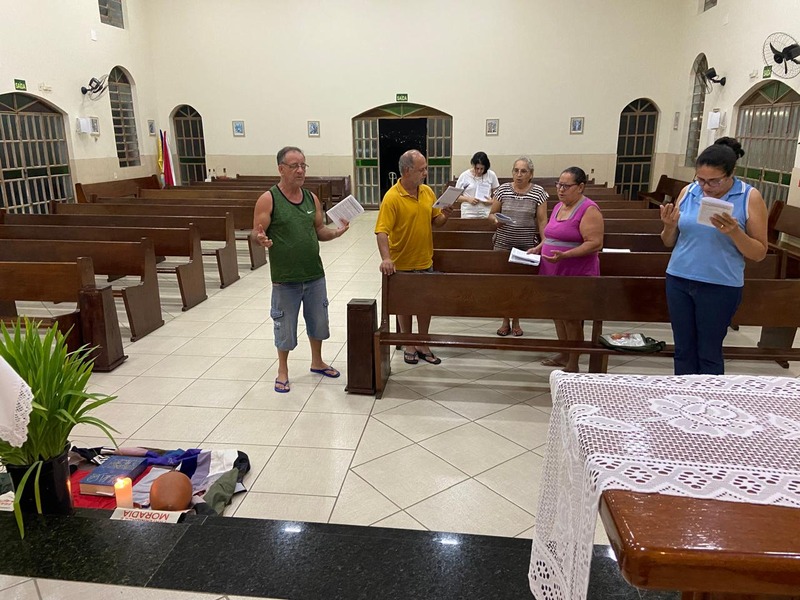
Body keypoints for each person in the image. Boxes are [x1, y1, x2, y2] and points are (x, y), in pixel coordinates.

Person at [660, 137, 767, 375]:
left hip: (720, 285)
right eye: (701, 179)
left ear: (731, 174)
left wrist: (734, 232)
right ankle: (683, 395)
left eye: (714, 181)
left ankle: (710, 397)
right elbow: (669, 241)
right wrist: (669, 226)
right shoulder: (689, 191)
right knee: (683, 349)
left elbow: (759, 252)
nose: (706, 187)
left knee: (708, 352)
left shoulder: (749, 197)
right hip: (679, 278)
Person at [252, 146, 349, 393]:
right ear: (281, 169)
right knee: (284, 325)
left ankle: (317, 361)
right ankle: (282, 370)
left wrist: (336, 233)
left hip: (314, 273)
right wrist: (260, 239)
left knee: (318, 321)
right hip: (285, 278)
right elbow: (256, 232)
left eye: (303, 165)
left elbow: (319, 230)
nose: (300, 170)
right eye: (294, 166)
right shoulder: (269, 199)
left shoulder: (311, 198)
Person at [375, 149, 454, 365]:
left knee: (425, 305)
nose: (425, 173)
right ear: (407, 171)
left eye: (425, 168)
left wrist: (445, 215)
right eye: (422, 169)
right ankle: (408, 343)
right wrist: (386, 258)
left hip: (425, 259)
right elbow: (381, 231)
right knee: (405, 306)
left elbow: (436, 221)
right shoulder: (392, 197)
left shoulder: (427, 192)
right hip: (402, 262)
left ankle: (422, 342)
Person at [531, 166, 603, 372]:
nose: (560, 190)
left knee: (572, 318)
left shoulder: (589, 209)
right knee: (557, 314)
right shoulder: (559, 207)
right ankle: (564, 353)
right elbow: (551, 236)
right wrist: (539, 247)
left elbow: (595, 243)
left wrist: (566, 255)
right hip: (553, 270)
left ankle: (573, 362)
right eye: (558, 185)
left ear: (580, 187)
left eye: (566, 186)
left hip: (575, 273)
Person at [489, 157, 548, 336]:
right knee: (504, 284)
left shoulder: (538, 192)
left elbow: (542, 220)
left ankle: (516, 320)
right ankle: (505, 320)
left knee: (521, 285)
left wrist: (545, 242)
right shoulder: (503, 190)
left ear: (531, 174)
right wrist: (496, 221)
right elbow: (492, 214)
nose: (519, 175)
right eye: (516, 170)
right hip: (503, 243)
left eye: (523, 171)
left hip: (526, 246)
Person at [455, 152, 500, 219]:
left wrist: (491, 201)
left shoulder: (491, 175)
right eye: (477, 168)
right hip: (468, 211)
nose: (479, 171)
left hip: (486, 211)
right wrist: (468, 199)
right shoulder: (464, 176)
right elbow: (456, 197)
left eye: (482, 169)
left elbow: (497, 195)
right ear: (473, 165)